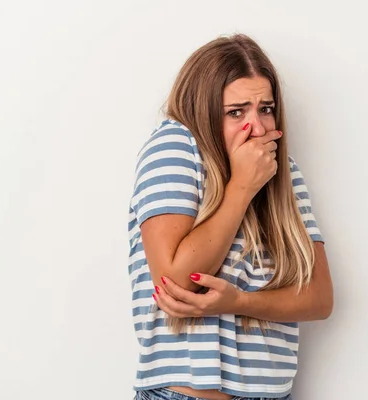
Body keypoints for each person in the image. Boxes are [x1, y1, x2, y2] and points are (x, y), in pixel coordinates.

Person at [128, 33, 333, 400]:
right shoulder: (176, 145)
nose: (256, 126)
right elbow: (173, 283)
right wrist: (240, 188)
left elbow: (319, 298)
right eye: (236, 112)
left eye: (265, 109)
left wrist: (239, 302)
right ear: (204, 111)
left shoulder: (281, 171)